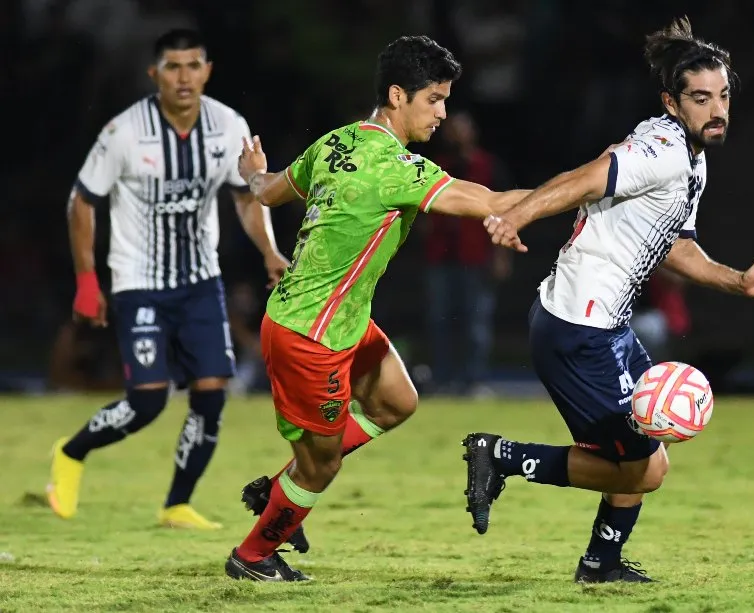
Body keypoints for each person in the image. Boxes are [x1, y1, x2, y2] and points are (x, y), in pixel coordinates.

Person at [463, 16, 754, 583]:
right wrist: (517, 213)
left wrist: (739, 281)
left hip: (605, 324)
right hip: (579, 330)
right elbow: (591, 176)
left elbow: (674, 246)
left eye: (722, 95)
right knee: (641, 471)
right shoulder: (665, 148)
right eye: (701, 98)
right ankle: (499, 456)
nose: (717, 109)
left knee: (652, 455)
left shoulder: (691, 157)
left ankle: (602, 563)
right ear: (673, 103)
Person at [224, 35, 528, 582]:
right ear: (397, 95)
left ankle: (275, 493)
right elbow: (492, 202)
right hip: (308, 337)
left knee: (396, 401)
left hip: (339, 321)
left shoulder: (333, 143)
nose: (442, 113)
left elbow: (266, 191)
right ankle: (254, 554)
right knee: (321, 468)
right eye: (433, 99)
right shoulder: (395, 169)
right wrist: (591, 190)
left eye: (445, 99)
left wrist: (251, 172)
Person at [47, 29, 290, 529]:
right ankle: (71, 453)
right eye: (173, 67)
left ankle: (176, 504)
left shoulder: (227, 126)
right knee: (148, 401)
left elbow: (245, 196)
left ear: (208, 70)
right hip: (139, 281)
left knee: (211, 393)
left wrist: (269, 251)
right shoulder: (124, 132)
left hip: (201, 281)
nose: (184, 77)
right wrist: (88, 281)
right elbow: (82, 202)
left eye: (193, 65)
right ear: (154, 74)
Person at [424, 111, 514, 396]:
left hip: (476, 256)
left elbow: (505, 210)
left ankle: (473, 380)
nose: (456, 135)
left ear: (472, 132)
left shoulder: (487, 165)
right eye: (452, 130)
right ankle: (442, 378)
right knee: (439, 320)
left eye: (461, 129)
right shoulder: (436, 166)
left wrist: (501, 255)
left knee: (476, 323)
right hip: (440, 255)